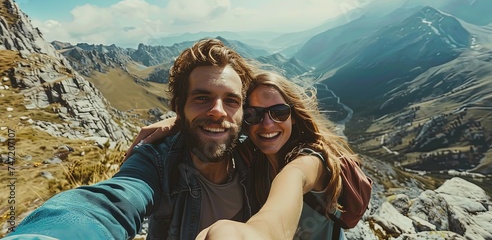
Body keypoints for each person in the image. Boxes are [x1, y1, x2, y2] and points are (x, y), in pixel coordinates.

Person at [4, 38, 261, 240]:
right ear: (179, 107)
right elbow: (112, 202)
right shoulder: (156, 161)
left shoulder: (259, 154)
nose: (218, 110)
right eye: (202, 98)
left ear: (243, 111)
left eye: (231, 100)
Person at [133, 71, 359, 239]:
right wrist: (181, 121)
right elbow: (222, 123)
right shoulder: (250, 156)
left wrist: (249, 234)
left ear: (294, 116)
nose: (268, 124)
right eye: (253, 115)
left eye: (279, 112)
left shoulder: (311, 161)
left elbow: (291, 185)